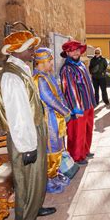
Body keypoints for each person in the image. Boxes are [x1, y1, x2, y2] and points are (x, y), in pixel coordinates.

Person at [0, 31, 55, 220]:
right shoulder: (11, 76)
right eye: (30, 48)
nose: (34, 52)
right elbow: (18, 115)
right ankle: (24, 219)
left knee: (37, 174)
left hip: (33, 129)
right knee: (27, 177)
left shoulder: (21, 69)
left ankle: (35, 207)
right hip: (24, 134)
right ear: (18, 50)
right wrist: (27, 146)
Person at [33, 48, 72, 194]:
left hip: (55, 116)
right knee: (52, 148)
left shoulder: (46, 75)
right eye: (49, 61)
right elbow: (49, 99)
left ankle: (54, 174)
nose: (51, 64)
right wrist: (65, 111)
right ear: (42, 62)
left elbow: (58, 94)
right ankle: (49, 180)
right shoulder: (40, 79)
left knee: (58, 146)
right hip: (48, 118)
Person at [60, 40, 96, 165]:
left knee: (87, 129)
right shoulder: (67, 69)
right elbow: (70, 89)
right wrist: (76, 108)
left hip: (88, 104)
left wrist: (92, 101)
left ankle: (85, 150)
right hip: (78, 107)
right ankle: (76, 156)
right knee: (77, 133)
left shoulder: (81, 65)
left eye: (77, 50)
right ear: (67, 53)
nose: (75, 52)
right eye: (72, 50)